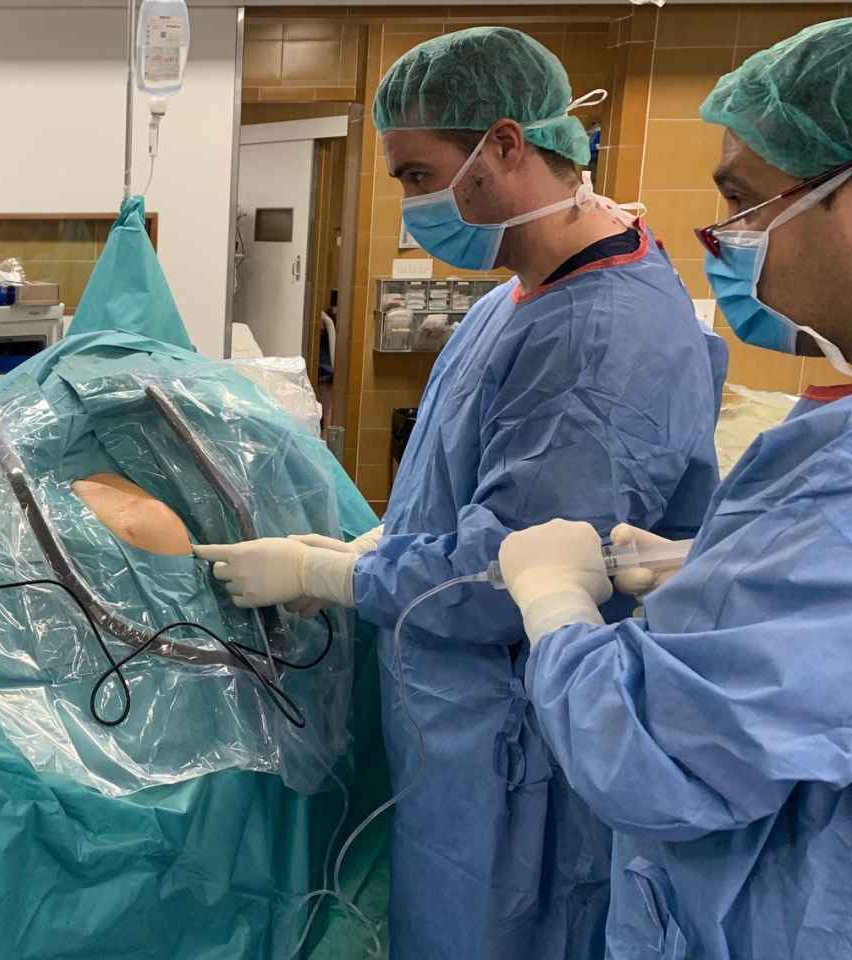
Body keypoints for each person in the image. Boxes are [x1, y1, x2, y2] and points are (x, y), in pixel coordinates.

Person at [194, 26, 729, 960]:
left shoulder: (599, 340)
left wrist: (328, 578)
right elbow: (455, 505)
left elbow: (514, 573)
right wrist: (370, 547)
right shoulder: (513, 296)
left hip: (520, 752)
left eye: (416, 175)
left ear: (509, 143)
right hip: (457, 722)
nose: (411, 207)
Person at [496, 18, 852, 959]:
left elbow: (649, 756)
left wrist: (555, 603)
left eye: (746, 204)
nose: (730, 241)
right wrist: (714, 565)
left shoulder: (612, 328)